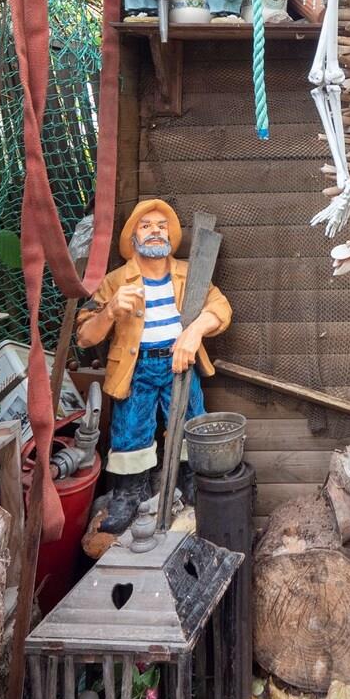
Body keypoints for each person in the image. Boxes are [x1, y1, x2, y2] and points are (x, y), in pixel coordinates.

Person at [76, 199, 231, 534]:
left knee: (192, 421)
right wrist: (110, 311)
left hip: (180, 361)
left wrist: (194, 333)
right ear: (132, 237)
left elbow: (220, 307)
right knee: (131, 427)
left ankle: (192, 482)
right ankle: (129, 493)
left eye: (162, 226)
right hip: (137, 367)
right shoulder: (116, 281)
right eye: (146, 226)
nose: (155, 231)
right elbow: (85, 336)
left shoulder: (189, 274)